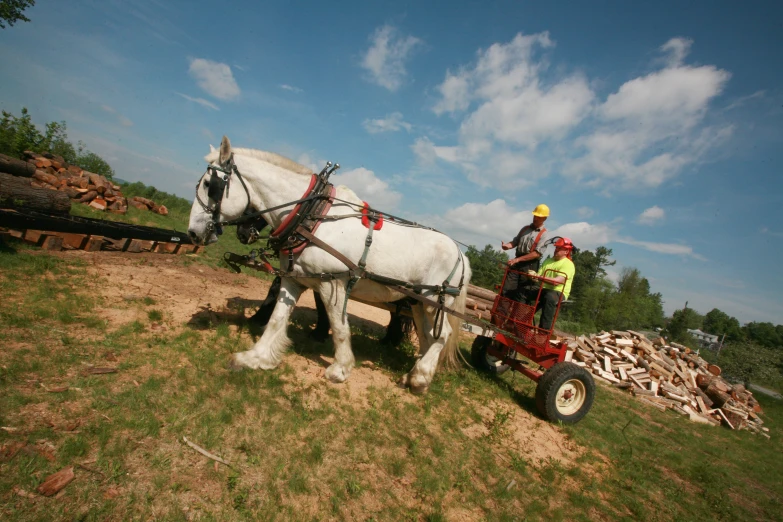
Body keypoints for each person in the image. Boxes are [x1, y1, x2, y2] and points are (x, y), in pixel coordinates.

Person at [500, 204, 550, 303]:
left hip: (530, 266)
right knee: (506, 291)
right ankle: (500, 317)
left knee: (522, 295)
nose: (535, 218)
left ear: (544, 218)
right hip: (516, 263)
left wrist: (517, 259)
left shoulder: (544, 234)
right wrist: (507, 246)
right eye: (535, 215)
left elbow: (537, 254)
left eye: (538, 217)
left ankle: (516, 318)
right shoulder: (525, 229)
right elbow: (515, 242)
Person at [528, 237, 575, 331]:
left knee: (549, 297)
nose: (556, 250)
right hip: (543, 289)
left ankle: (543, 331)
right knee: (523, 291)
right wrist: (532, 276)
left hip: (558, 292)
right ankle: (519, 319)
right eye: (556, 248)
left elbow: (557, 282)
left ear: (566, 251)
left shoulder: (568, 264)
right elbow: (539, 277)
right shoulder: (548, 261)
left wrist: (538, 277)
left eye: (559, 248)